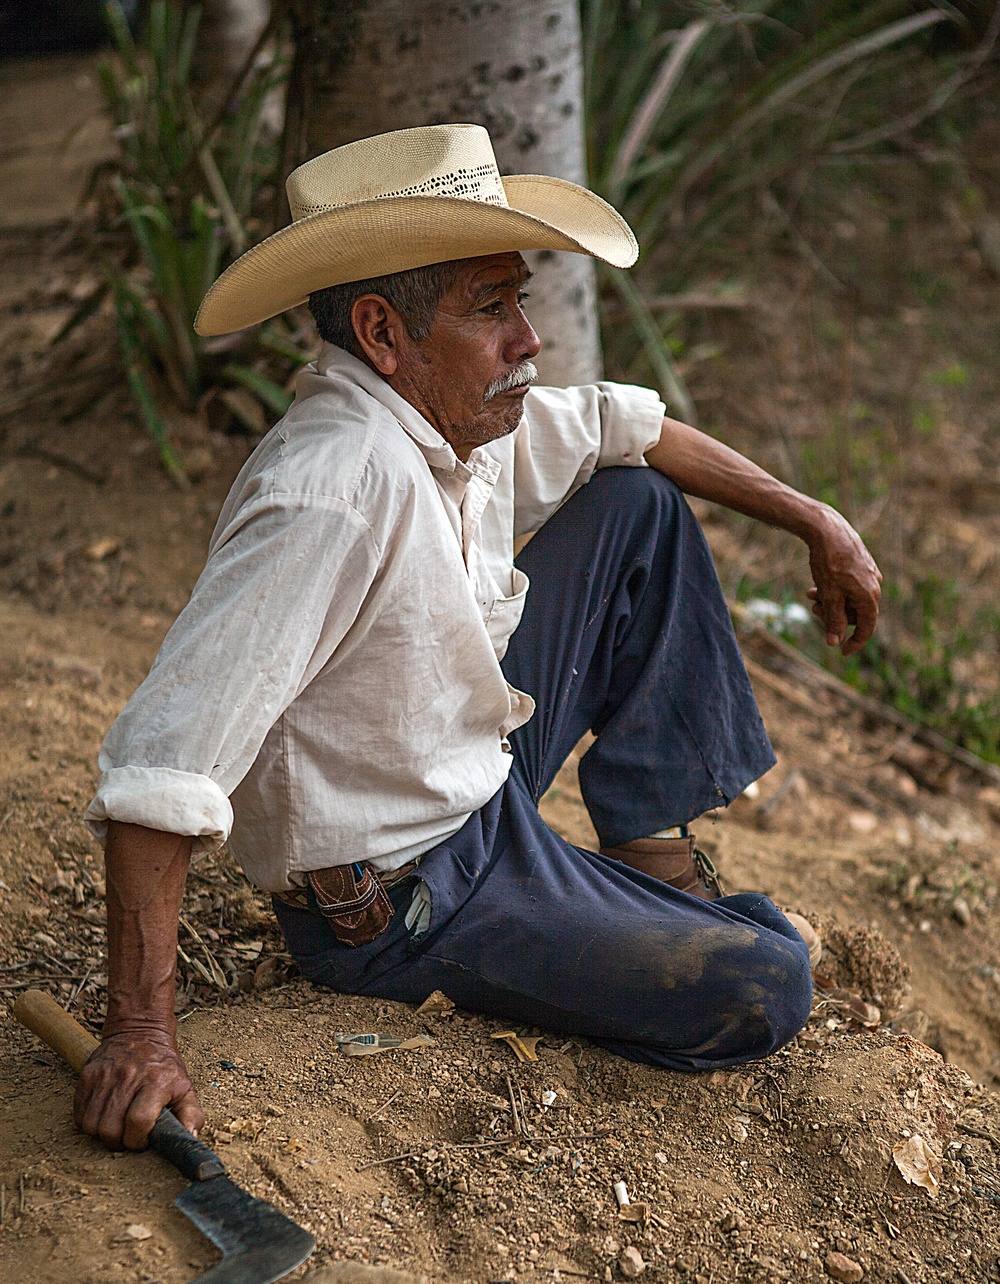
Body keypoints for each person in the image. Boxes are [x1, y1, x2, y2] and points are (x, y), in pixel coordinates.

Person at [77, 125, 881, 1151]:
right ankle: (674, 919)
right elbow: (158, 771)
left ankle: (655, 867)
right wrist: (141, 1031)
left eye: (519, 300)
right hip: (406, 902)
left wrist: (817, 520)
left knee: (637, 504)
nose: (527, 341)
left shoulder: (450, 419)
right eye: (491, 308)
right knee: (766, 982)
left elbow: (624, 429)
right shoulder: (331, 490)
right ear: (382, 332)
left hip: (477, 785)